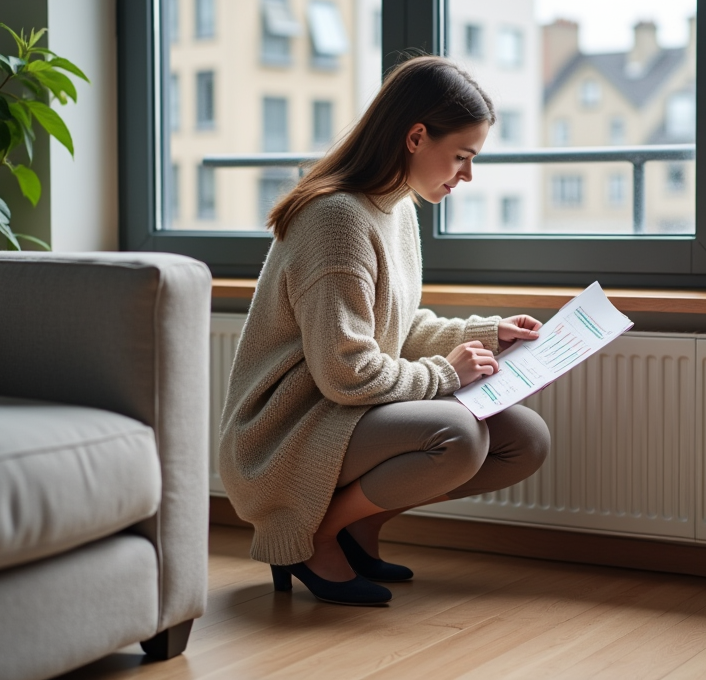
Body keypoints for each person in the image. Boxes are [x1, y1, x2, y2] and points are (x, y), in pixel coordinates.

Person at [218, 55, 551, 606]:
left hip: (340, 413)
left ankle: (356, 528)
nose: (467, 175)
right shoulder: (336, 220)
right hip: (285, 433)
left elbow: (395, 327)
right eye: (462, 157)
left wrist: (489, 334)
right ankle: (309, 536)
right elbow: (347, 373)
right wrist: (447, 373)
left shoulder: (394, 207)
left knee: (524, 440)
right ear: (417, 136)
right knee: (458, 435)